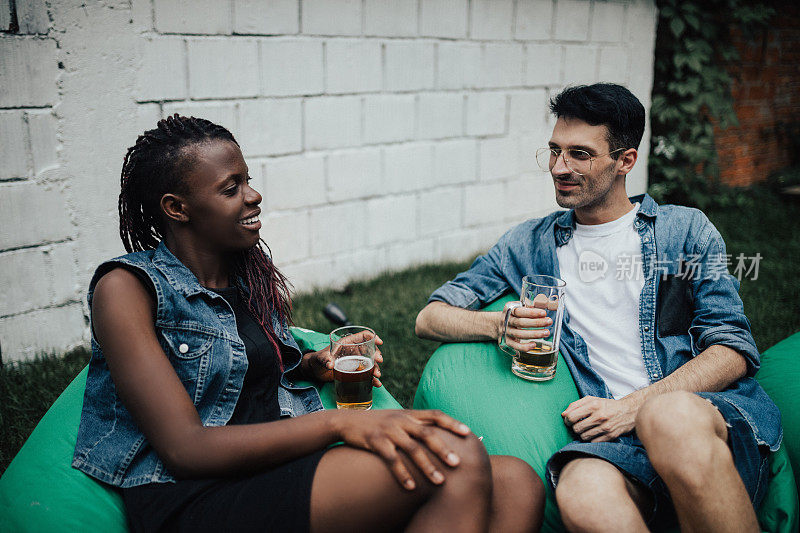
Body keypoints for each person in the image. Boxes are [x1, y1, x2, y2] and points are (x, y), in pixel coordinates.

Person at [72, 115, 544, 533]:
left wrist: (313, 366)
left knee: (516, 481)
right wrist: (337, 424)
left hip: (276, 465)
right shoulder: (127, 288)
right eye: (230, 187)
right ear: (177, 208)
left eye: (248, 180)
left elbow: (239, 376)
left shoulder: (242, 276)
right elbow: (186, 449)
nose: (254, 195)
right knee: (455, 460)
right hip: (198, 493)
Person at [415, 84, 781, 532]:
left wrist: (635, 407)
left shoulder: (684, 232)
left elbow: (733, 349)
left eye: (579, 154)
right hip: (617, 443)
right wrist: (499, 324)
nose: (559, 167)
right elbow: (429, 317)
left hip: (706, 419)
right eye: (554, 151)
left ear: (625, 160)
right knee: (579, 487)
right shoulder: (530, 245)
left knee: (667, 417)